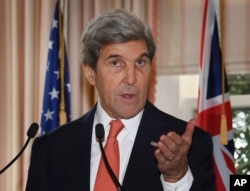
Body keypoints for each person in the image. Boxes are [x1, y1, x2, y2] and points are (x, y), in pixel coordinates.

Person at [26, 9, 216, 191]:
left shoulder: (188, 146)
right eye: (116, 63)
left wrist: (176, 177)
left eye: (140, 62)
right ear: (90, 73)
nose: (132, 78)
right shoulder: (51, 149)